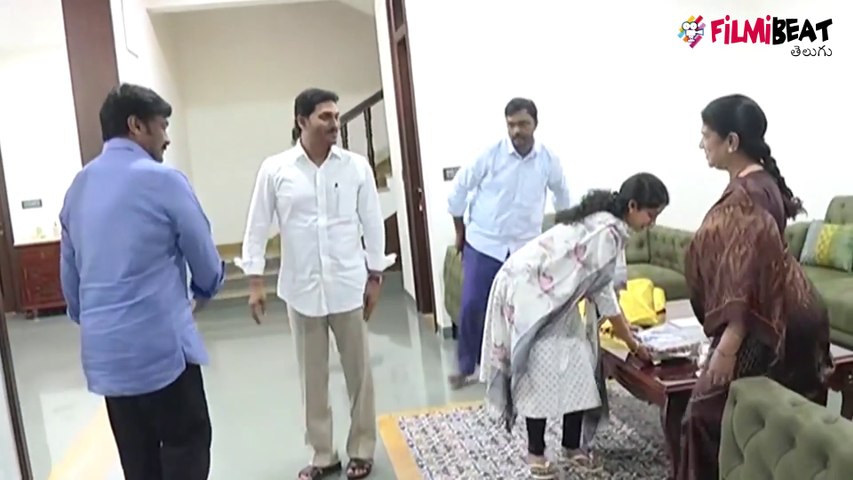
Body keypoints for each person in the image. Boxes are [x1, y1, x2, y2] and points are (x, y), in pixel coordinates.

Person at [59, 83, 224, 480]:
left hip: (106, 359)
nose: (167, 137)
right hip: (161, 353)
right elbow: (205, 260)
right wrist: (205, 289)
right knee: (186, 445)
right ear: (136, 125)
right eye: (162, 125)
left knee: (138, 460)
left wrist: (99, 319)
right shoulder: (164, 181)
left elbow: (71, 286)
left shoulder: (77, 188)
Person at [676, 94, 833, 480]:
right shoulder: (760, 182)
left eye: (706, 135)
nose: (700, 144)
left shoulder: (747, 196)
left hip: (765, 322)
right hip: (789, 311)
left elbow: (746, 277)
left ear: (731, 141)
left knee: (703, 417)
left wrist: (727, 347)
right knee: (760, 423)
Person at [480, 173, 668, 479]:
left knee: (579, 368)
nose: (652, 223)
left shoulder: (610, 225)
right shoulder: (607, 232)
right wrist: (632, 343)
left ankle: (571, 446)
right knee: (539, 373)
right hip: (529, 291)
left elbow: (598, 284)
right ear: (632, 206)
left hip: (556, 298)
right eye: (651, 214)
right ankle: (536, 452)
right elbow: (603, 293)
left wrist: (626, 331)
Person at [239, 88, 385, 480]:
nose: (335, 123)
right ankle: (323, 455)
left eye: (336, 116)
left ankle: (362, 449)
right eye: (325, 117)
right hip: (301, 290)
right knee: (312, 379)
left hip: (348, 286)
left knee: (360, 375)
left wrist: (375, 275)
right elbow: (257, 226)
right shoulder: (276, 169)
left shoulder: (356, 167)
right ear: (301, 121)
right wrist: (255, 280)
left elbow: (372, 224)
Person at [446, 97, 571, 389]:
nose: (517, 131)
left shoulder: (548, 160)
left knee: (525, 309)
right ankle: (466, 367)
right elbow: (458, 191)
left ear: (535, 124)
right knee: (473, 305)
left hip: (525, 248)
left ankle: (521, 366)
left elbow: (562, 195)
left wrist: (566, 233)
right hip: (484, 243)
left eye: (523, 124)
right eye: (511, 124)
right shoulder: (490, 155)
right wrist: (460, 231)